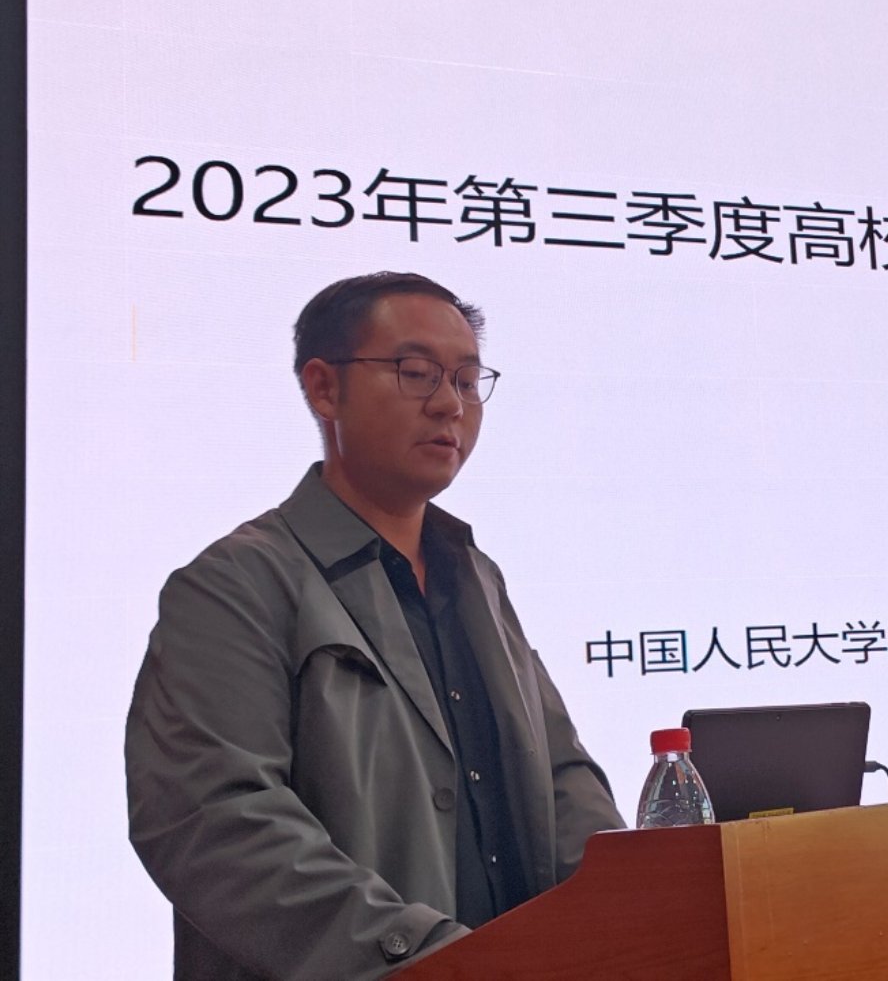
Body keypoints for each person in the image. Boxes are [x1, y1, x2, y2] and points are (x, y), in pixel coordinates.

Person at [125, 272, 625, 981]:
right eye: (416, 373)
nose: (450, 404)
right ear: (324, 388)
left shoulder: (475, 575)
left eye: (467, 380)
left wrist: (621, 919)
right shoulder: (234, 585)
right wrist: (432, 959)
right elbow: (214, 824)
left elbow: (561, 777)